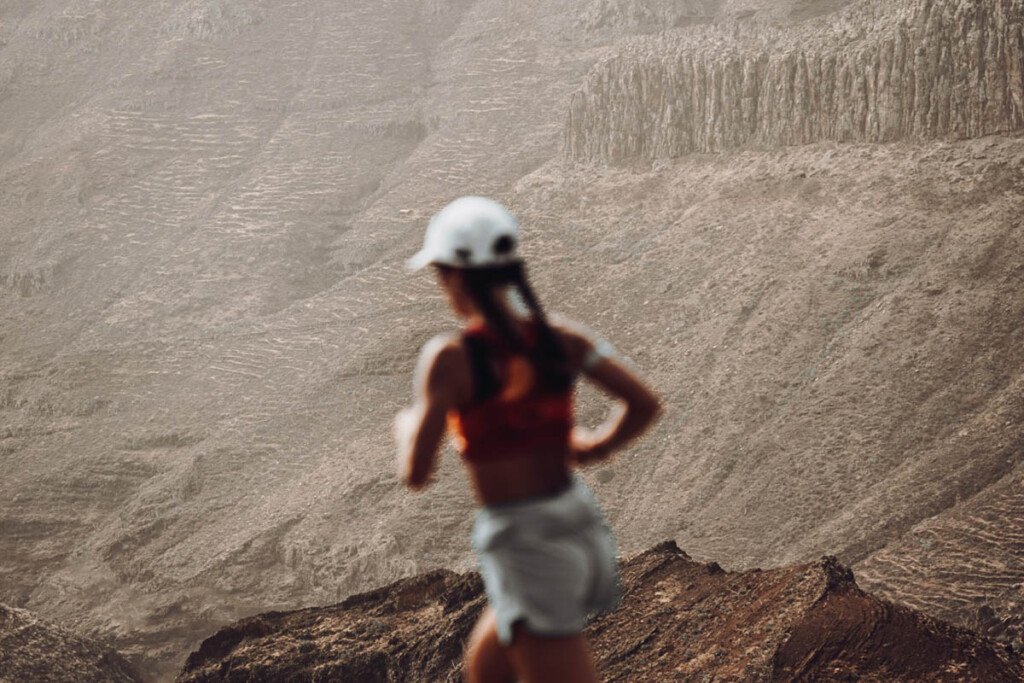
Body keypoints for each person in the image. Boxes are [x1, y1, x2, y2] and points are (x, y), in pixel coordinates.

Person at [394, 196, 661, 683]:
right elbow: (643, 404)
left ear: (455, 277)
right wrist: (595, 445)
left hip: (526, 540)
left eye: (439, 275)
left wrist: (409, 427)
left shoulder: (450, 360)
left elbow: (416, 473)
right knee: (486, 670)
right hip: (577, 520)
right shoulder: (564, 340)